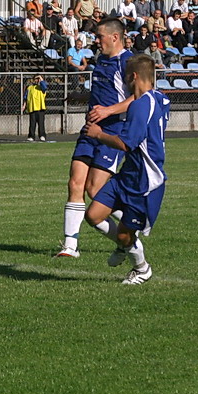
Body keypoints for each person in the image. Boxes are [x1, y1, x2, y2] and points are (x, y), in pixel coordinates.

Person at [83, 54, 169, 285]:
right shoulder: (159, 98)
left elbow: (126, 143)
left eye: (124, 77)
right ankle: (124, 245)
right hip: (128, 173)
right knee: (93, 215)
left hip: (144, 181)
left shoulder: (141, 106)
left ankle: (141, 268)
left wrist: (98, 134)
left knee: (123, 233)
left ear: (132, 76)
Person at [56, 17, 133, 259]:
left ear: (115, 37)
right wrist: (83, 97)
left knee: (95, 188)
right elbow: (104, 92)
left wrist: (108, 111)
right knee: (75, 183)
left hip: (113, 131)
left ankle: (130, 232)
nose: (96, 41)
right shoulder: (101, 60)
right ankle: (70, 246)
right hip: (90, 128)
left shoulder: (129, 61)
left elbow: (141, 97)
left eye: (99, 37)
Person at [22, 74, 48, 142]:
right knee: (32, 124)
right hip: (32, 108)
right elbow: (26, 97)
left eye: (38, 79)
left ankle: (42, 135)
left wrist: (40, 78)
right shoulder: (29, 88)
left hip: (40, 108)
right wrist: (24, 105)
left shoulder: (42, 87)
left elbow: (45, 87)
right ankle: (31, 136)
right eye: (36, 79)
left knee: (41, 123)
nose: (37, 80)